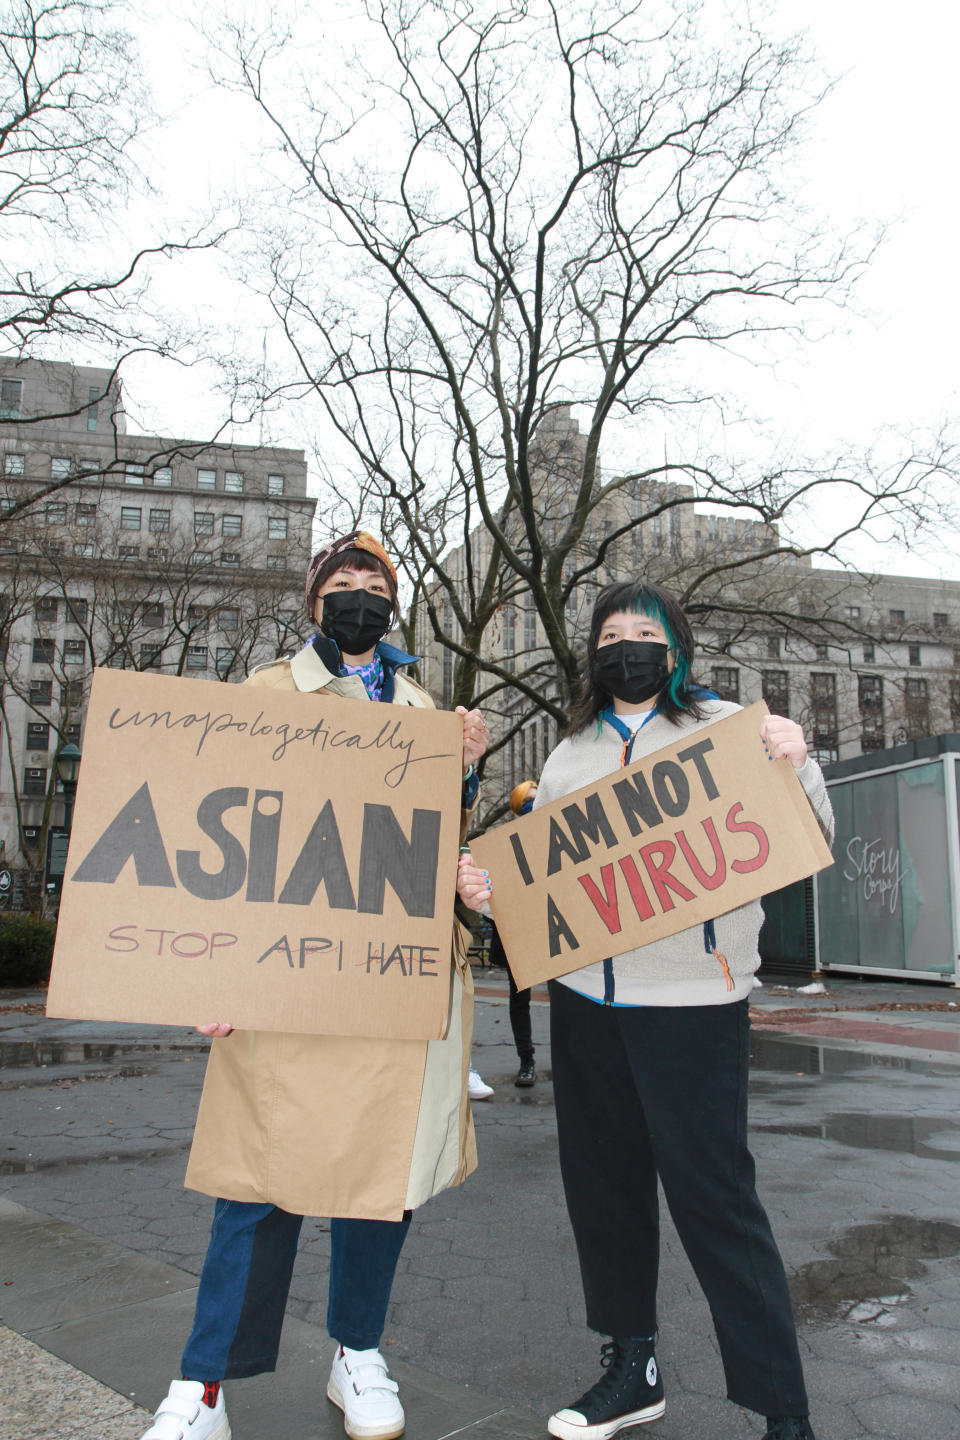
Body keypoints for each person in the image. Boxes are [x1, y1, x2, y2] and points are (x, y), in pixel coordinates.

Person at [457, 579, 834, 1440]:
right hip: (587, 1005)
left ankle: (785, 1408)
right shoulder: (568, 754)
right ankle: (634, 1365)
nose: (627, 645)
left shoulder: (728, 732)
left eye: (645, 633)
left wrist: (797, 757)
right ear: (594, 654)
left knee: (717, 1202)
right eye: (612, 633)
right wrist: (487, 890)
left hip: (694, 1005)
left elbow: (810, 834)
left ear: (676, 651)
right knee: (605, 1192)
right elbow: (540, 887)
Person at [142, 531, 488, 1440]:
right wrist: (201, 969)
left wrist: (469, 776)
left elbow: (431, 851)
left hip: (389, 989)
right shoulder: (259, 697)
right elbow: (210, 842)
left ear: (394, 604)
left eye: (375, 581)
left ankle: (357, 1352)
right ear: (313, 601)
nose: (360, 592)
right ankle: (203, 1386)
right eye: (343, 580)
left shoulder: (427, 711)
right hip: (282, 984)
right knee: (256, 1183)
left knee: (381, 1181)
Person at [485, 781, 538, 1087]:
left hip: (553, 929)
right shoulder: (505, 844)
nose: (533, 805)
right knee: (520, 1001)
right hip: (520, 936)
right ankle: (526, 1060)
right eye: (528, 802)